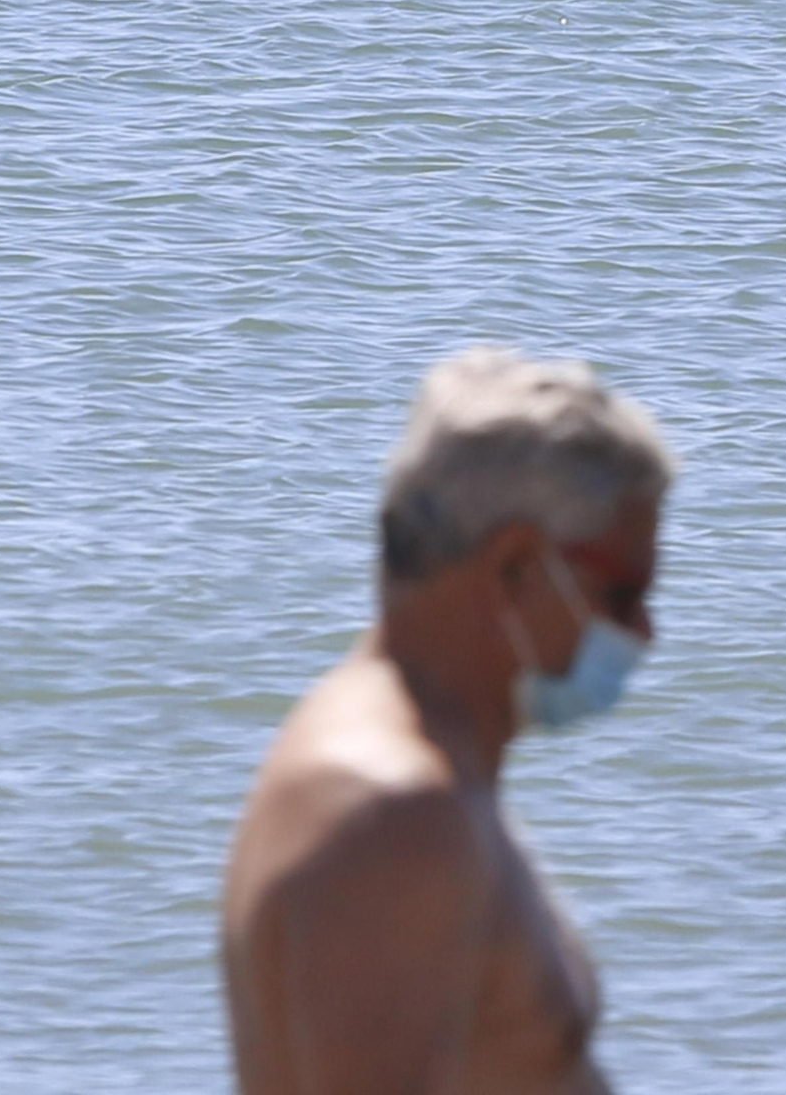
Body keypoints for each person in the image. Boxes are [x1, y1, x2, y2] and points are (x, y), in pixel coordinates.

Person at [222, 347, 678, 1095]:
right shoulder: (389, 811)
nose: (646, 633)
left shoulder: (422, 772)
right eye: (625, 594)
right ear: (516, 566)